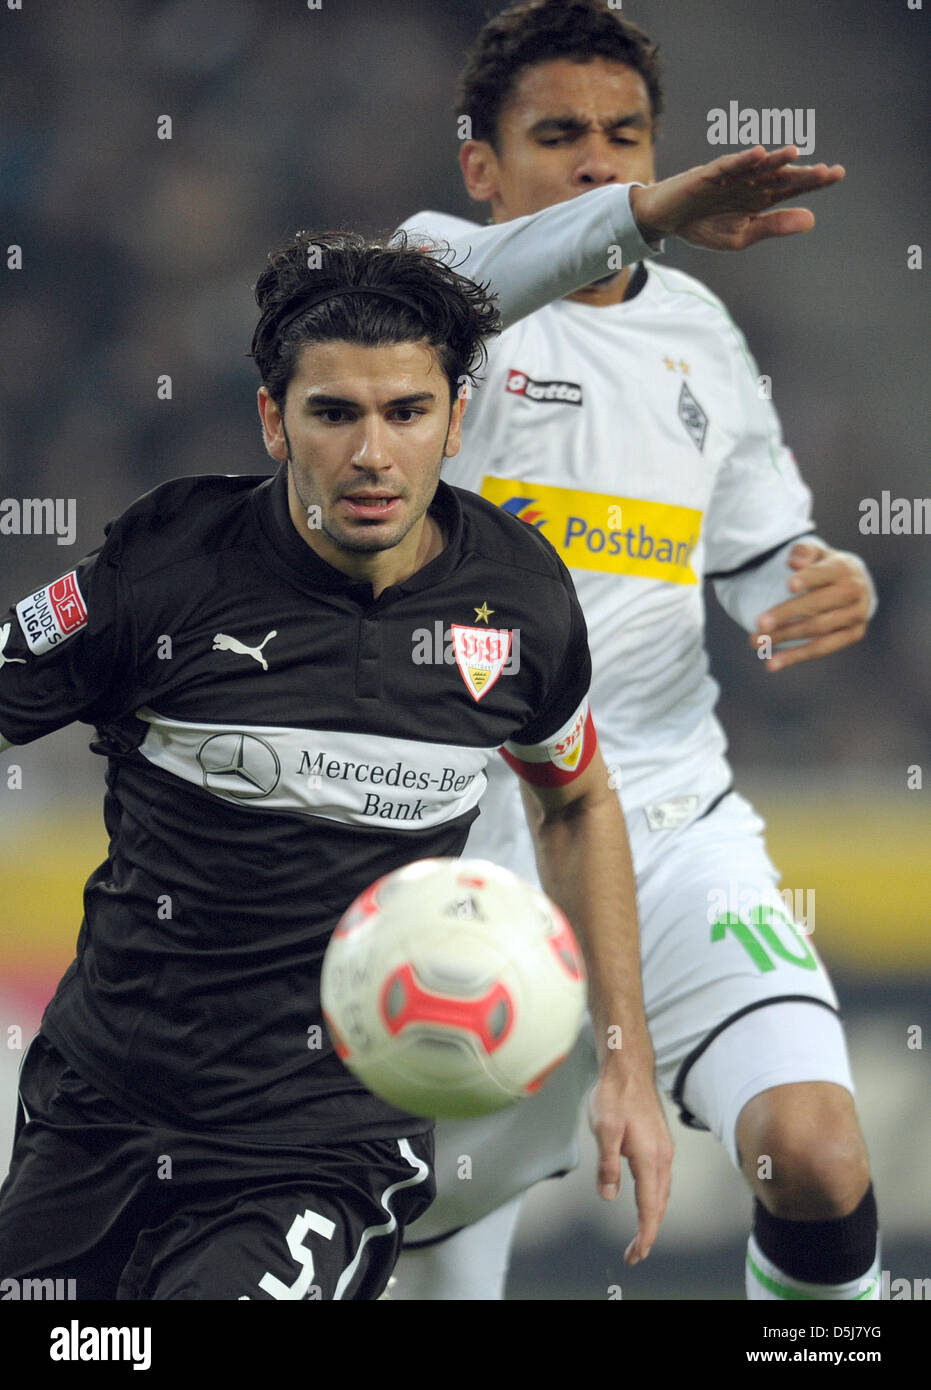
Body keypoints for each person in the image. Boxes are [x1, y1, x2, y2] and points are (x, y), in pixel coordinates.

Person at [0, 229, 675, 1300]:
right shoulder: (165, 567)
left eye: (407, 412)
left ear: (455, 421)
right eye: (334, 413)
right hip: (98, 1109)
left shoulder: (519, 600)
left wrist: (624, 1056)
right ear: (275, 420)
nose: (373, 454)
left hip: (320, 1147)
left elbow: (577, 797)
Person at [390, 0, 880, 1302]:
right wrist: (648, 215)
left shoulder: (702, 339)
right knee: (434, 1243)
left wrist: (821, 580)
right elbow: (484, 279)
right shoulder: (430, 282)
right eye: (558, 136)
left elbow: (757, 550)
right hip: (445, 838)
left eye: (625, 137)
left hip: (662, 812)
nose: (600, 160)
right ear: (480, 165)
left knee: (814, 1154)